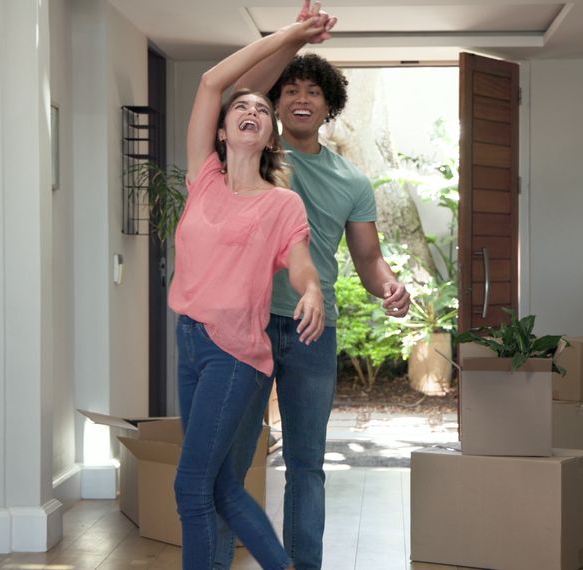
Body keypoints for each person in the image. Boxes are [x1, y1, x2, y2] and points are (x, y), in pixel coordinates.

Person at [214, 3, 412, 568]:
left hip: (309, 330)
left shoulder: (352, 180)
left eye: (313, 92)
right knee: (232, 461)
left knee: (307, 462)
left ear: (329, 106)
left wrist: (391, 287)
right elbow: (229, 92)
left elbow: (368, 257)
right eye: (290, 88)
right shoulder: (251, 155)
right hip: (241, 326)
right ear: (275, 100)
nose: (301, 98)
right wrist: (291, 37)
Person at [167, 13, 337, 570]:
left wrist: (311, 292)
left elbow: (300, 265)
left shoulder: (280, 203)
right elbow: (212, 82)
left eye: (262, 111)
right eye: (242, 107)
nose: (251, 112)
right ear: (221, 129)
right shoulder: (203, 179)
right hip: (189, 342)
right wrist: (289, 37)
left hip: (235, 354)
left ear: (270, 136)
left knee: (192, 488)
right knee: (219, 489)